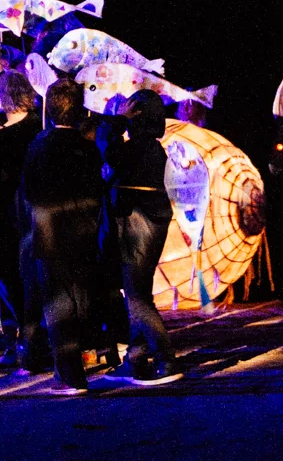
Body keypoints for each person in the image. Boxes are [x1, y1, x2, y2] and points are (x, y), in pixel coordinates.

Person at [21, 79, 104, 395]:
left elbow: (27, 191)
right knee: (80, 297)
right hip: (83, 231)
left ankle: (70, 374)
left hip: (49, 232)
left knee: (57, 303)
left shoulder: (38, 145)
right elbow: (98, 188)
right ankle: (74, 361)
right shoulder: (87, 148)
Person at [99, 90, 180, 384]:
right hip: (148, 221)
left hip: (138, 223)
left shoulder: (138, 148)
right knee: (138, 293)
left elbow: (105, 144)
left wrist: (119, 119)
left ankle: (166, 359)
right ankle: (135, 359)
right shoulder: (152, 148)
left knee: (137, 297)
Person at [0, 71, 40, 363]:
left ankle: (21, 335)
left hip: (7, 215)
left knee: (9, 276)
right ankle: (35, 335)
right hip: (35, 211)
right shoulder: (38, 126)